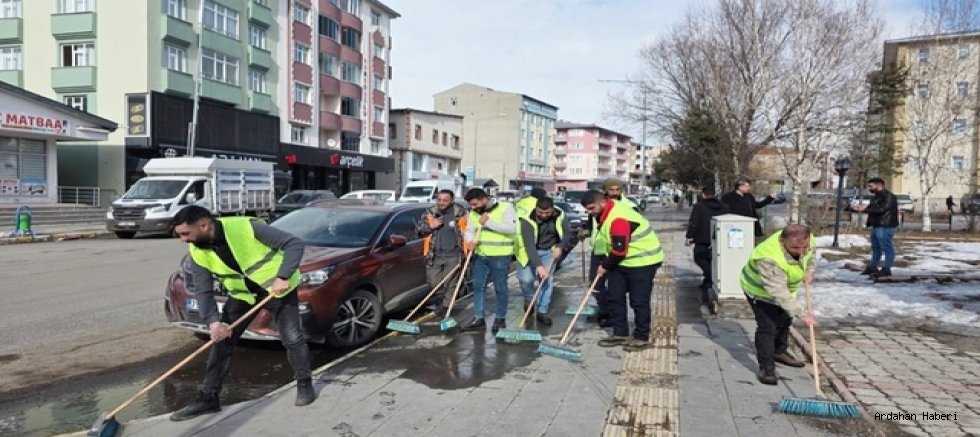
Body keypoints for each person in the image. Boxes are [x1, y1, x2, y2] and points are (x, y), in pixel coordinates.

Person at [169, 206, 314, 421]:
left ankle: (304, 384)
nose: (183, 239)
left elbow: (293, 244)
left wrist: (283, 276)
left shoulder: (247, 227)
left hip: (276, 290)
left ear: (204, 225)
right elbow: (203, 290)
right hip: (243, 295)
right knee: (222, 342)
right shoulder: (197, 250)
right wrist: (213, 323)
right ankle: (208, 398)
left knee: (292, 338)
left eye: (185, 234)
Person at [580, 190, 664, 352]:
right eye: (587, 210)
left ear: (603, 202)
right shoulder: (604, 213)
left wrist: (604, 266)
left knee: (638, 300)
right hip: (623, 262)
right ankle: (620, 333)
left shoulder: (619, 217)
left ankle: (641, 336)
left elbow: (619, 250)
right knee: (614, 295)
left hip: (643, 261)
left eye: (591, 208)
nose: (589, 213)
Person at [740, 224, 816, 385]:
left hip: (787, 289)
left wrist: (808, 272)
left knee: (784, 319)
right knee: (768, 327)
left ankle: (779, 352)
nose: (801, 251)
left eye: (804, 247)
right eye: (795, 248)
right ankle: (766, 368)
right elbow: (778, 291)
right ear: (783, 241)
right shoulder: (769, 257)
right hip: (759, 291)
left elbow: (811, 257)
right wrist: (801, 313)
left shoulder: (808, 240)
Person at [461, 188, 517, 333]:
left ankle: (500, 318)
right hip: (480, 255)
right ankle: (478, 318)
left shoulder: (506, 207)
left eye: (475, 204)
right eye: (471, 205)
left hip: (500, 255)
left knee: (500, 288)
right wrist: (469, 241)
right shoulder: (474, 213)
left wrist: (489, 222)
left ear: (484, 198)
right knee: (478, 287)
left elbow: (511, 229)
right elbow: (469, 230)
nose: (473, 208)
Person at [515, 196, 577, 325]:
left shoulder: (560, 215)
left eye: (547, 213)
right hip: (527, 252)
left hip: (549, 251)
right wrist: (538, 265)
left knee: (546, 281)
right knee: (526, 280)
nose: (543, 215)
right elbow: (529, 245)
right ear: (536, 208)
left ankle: (542, 312)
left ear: (552, 209)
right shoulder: (527, 219)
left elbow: (567, 233)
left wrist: (560, 247)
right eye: (540, 212)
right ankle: (529, 300)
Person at [417, 189, 468, 311]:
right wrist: (430, 226)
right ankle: (441, 300)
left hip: (454, 255)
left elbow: (470, 230)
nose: (441, 203)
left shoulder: (461, 213)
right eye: (439, 200)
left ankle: (446, 309)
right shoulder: (430, 213)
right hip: (434, 255)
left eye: (445, 200)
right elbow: (418, 231)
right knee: (434, 283)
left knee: (451, 284)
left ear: (452, 200)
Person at [685, 186, 730, 305]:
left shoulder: (699, 206)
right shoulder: (725, 207)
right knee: (715, 259)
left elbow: (693, 222)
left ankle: (709, 277)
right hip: (719, 238)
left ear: (703, 195)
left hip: (702, 238)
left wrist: (690, 236)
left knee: (699, 257)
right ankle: (709, 278)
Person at [852, 178, 899, 278]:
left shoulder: (889, 197)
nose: (869, 188)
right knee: (876, 248)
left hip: (886, 226)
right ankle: (873, 266)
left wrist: (865, 210)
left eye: (871, 186)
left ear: (878, 185)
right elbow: (871, 207)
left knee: (886, 247)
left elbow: (881, 210)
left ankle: (887, 269)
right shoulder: (876, 196)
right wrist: (861, 207)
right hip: (877, 225)